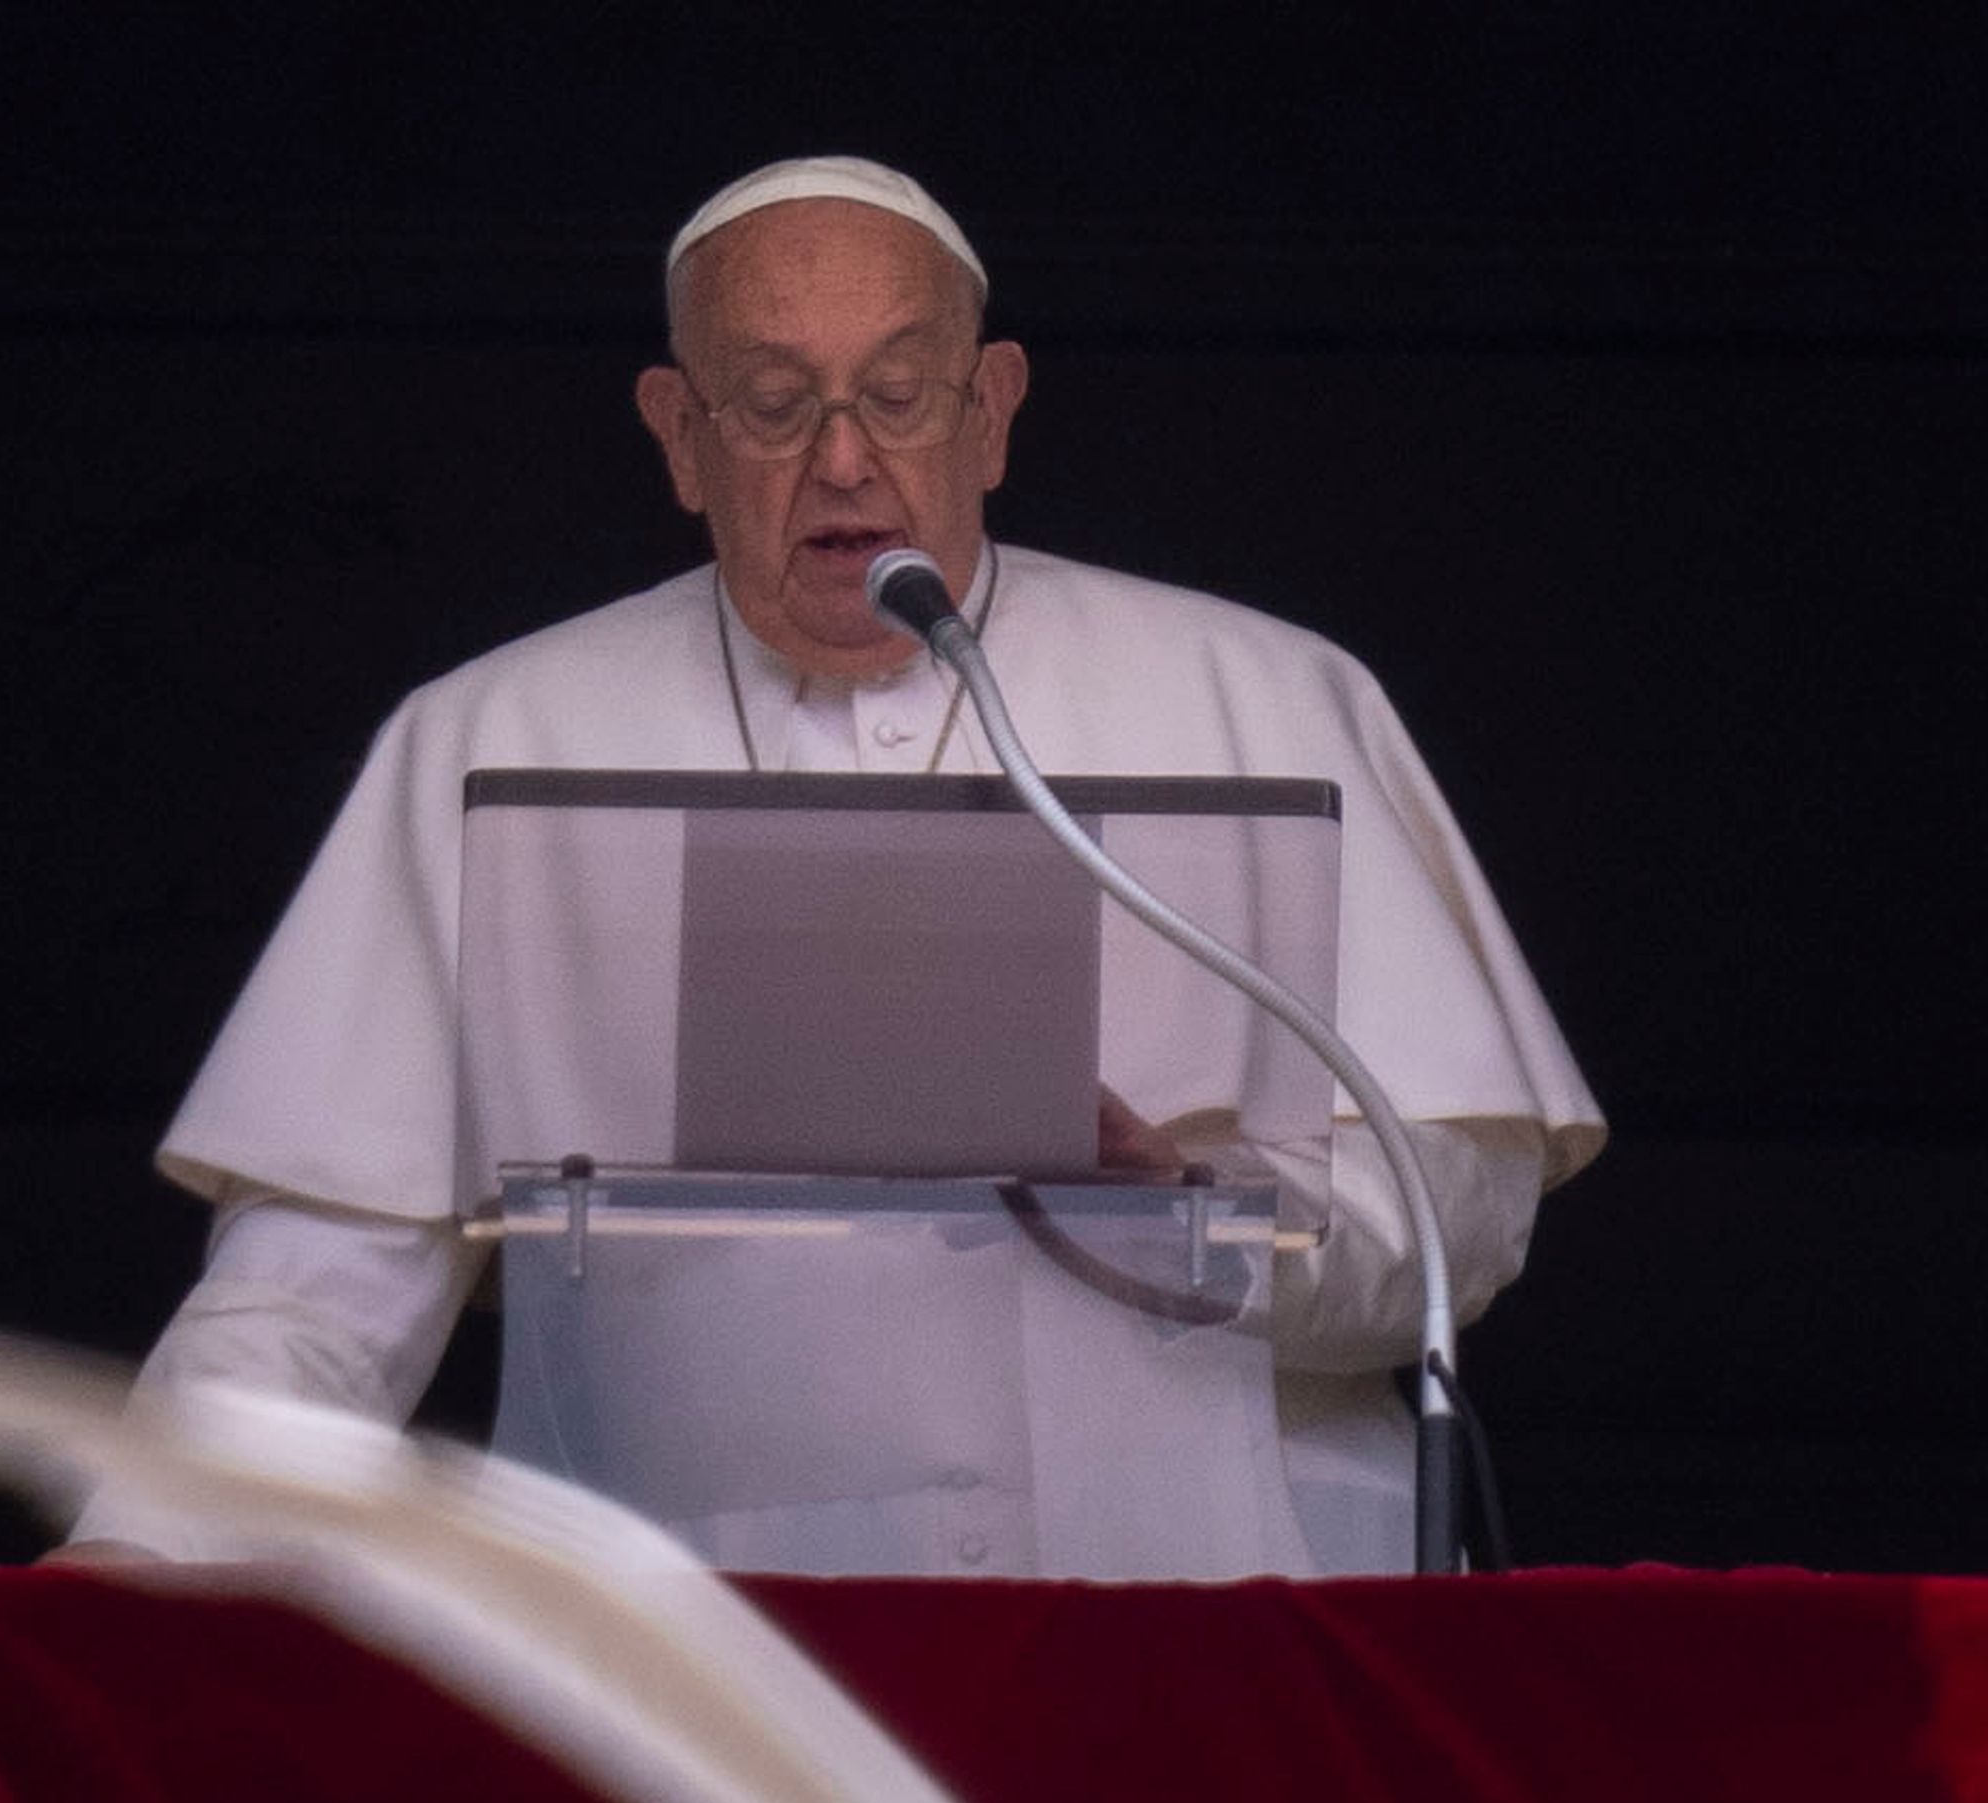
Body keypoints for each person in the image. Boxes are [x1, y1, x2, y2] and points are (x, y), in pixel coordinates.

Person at [137, 155, 1600, 1574]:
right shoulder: (488, 735)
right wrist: (138, 1563)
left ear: (994, 413)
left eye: (899, 396)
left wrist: (1205, 1211)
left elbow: (1456, 1204)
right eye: (775, 405)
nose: (845, 459)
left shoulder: (1271, 695)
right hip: (718, 1667)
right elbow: (317, 1282)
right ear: (677, 434)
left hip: (1207, 1612)